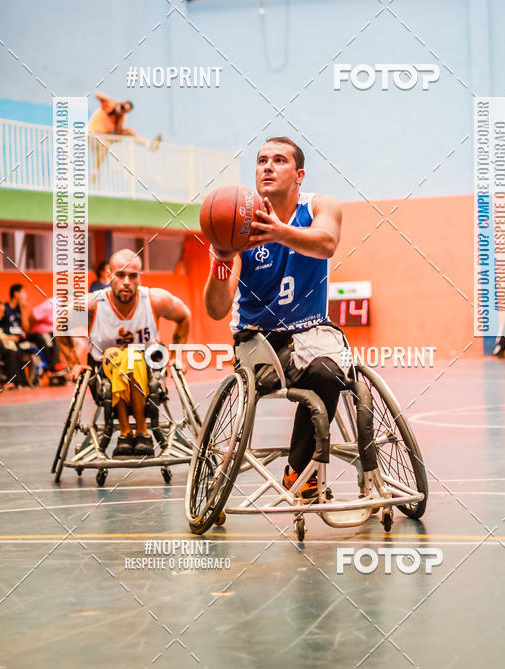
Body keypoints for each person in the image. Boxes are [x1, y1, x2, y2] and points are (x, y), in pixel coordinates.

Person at [204, 136, 347, 501]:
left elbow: (327, 243)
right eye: (261, 160)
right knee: (311, 368)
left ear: (299, 175)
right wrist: (221, 260)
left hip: (311, 332)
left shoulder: (320, 205)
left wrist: (278, 233)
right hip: (259, 342)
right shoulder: (237, 225)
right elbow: (217, 309)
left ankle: (298, 470)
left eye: (279, 160)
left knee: (328, 373)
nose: (267, 166)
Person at [58, 249, 191, 458]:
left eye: (132, 275)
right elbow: (61, 324)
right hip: (105, 373)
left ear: (140, 277)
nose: (126, 281)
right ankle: (138, 432)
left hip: (148, 371)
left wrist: (176, 357)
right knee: (118, 354)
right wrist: (74, 363)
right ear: (109, 274)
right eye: (120, 275)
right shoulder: (93, 304)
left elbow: (184, 316)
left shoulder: (155, 300)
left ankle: (131, 433)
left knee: (132, 355)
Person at [2, 284, 58, 372]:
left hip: (21, 337)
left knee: (40, 336)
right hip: (10, 338)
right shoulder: (4, 308)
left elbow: (26, 329)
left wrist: (23, 309)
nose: (26, 295)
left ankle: (51, 365)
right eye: (23, 292)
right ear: (16, 294)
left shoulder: (19, 309)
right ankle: (52, 367)